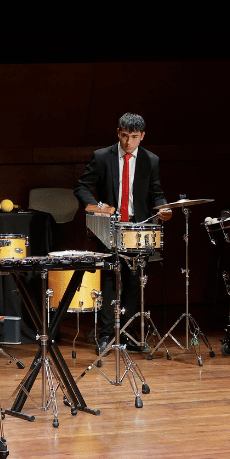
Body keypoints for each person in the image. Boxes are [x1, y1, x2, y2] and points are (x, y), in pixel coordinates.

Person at [74, 113, 171, 352]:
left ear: (142, 136)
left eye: (134, 137)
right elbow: (82, 186)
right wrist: (97, 208)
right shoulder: (102, 156)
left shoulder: (151, 160)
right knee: (109, 281)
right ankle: (106, 335)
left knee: (135, 281)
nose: (128, 142)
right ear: (118, 132)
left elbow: (155, 191)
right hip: (109, 227)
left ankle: (129, 335)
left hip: (137, 228)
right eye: (125, 136)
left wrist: (163, 207)